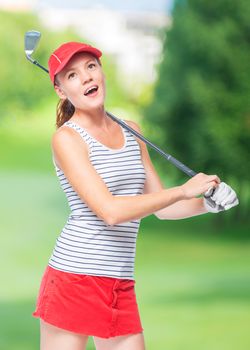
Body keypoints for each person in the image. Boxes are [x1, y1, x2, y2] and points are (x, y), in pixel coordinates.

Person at [32, 41, 239, 350]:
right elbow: (110, 211)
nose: (86, 77)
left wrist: (207, 203)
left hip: (119, 283)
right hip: (74, 280)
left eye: (91, 67)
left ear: (102, 72)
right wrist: (183, 189)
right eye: (72, 75)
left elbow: (162, 208)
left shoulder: (132, 130)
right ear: (62, 91)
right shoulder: (67, 139)